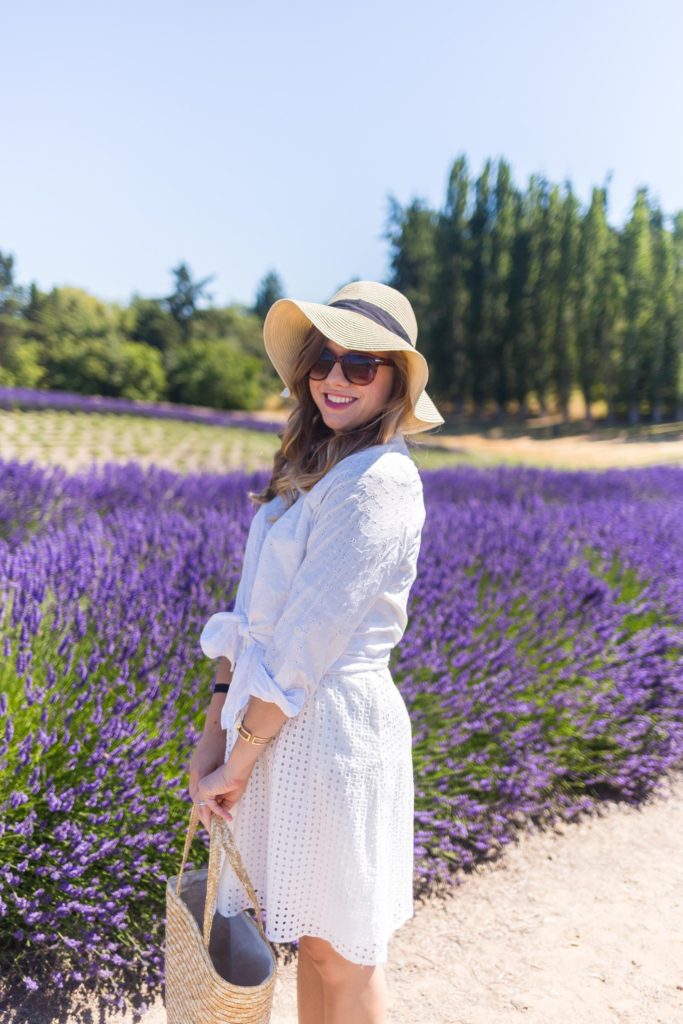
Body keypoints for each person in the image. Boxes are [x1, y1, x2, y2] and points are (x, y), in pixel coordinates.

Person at [188, 280, 444, 1024]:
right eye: (322, 359)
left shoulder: (379, 481)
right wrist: (213, 740)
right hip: (270, 730)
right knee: (305, 938)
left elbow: (307, 642)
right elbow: (247, 623)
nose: (334, 378)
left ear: (395, 379)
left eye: (359, 365)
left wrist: (237, 761)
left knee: (344, 951)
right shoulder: (317, 467)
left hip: (332, 732)